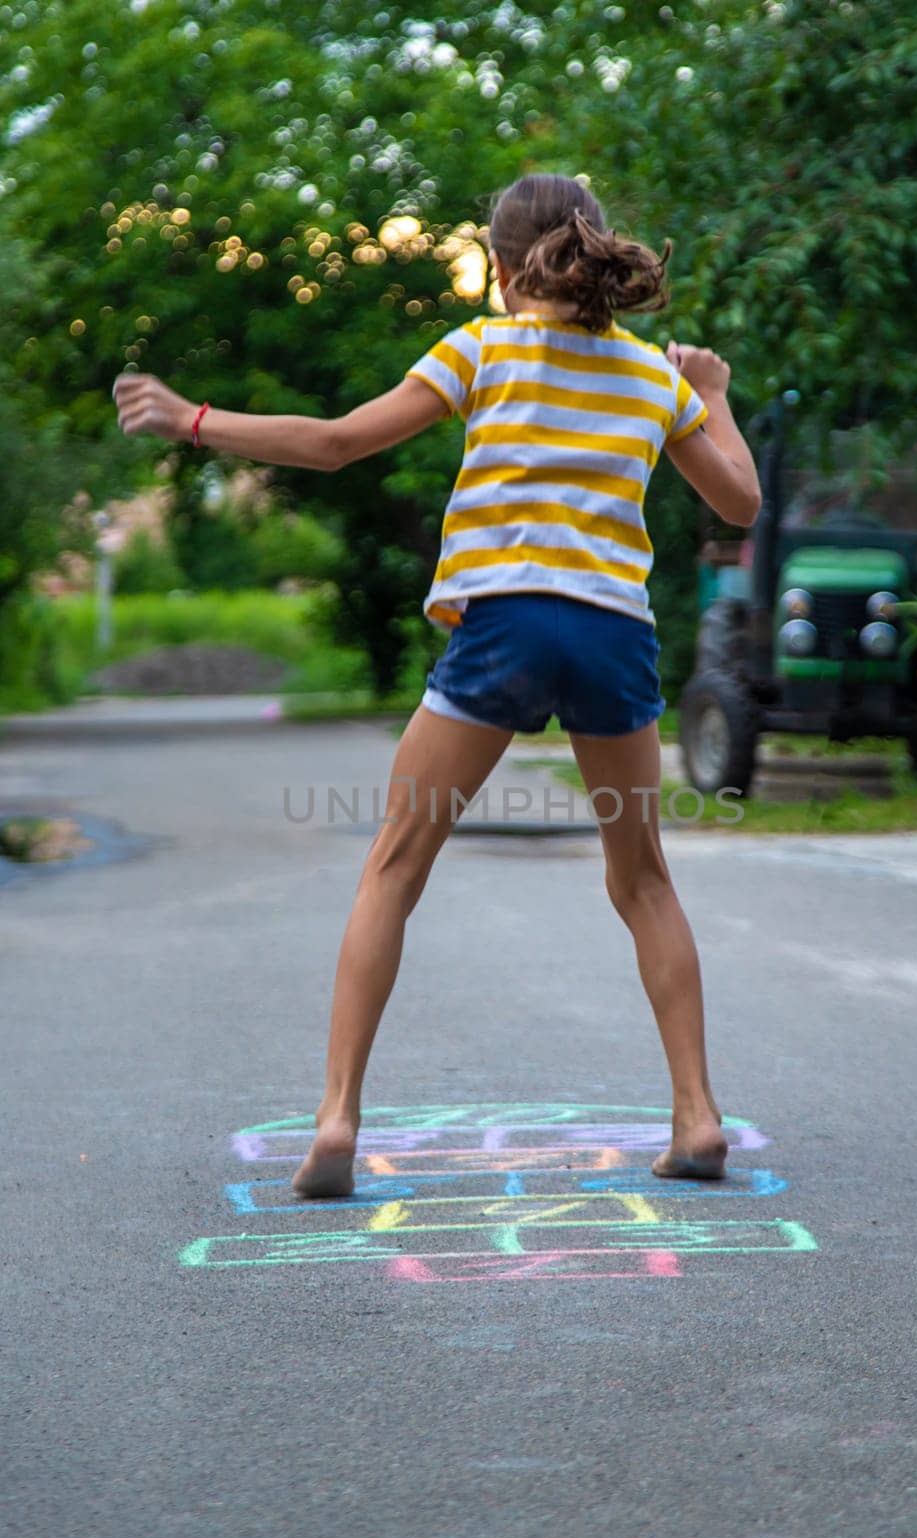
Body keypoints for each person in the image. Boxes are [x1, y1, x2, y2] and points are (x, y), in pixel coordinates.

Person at [113, 172, 761, 1199]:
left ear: (502, 272)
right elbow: (738, 501)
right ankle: (695, 1114)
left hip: (501, 621)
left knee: (394, 868)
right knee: (640, 879)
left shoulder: (479, 350)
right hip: (610, 634)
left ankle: (335, 1121)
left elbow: (333, 446)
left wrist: (193, 418)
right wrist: (714, 394)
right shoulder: (653, 378)